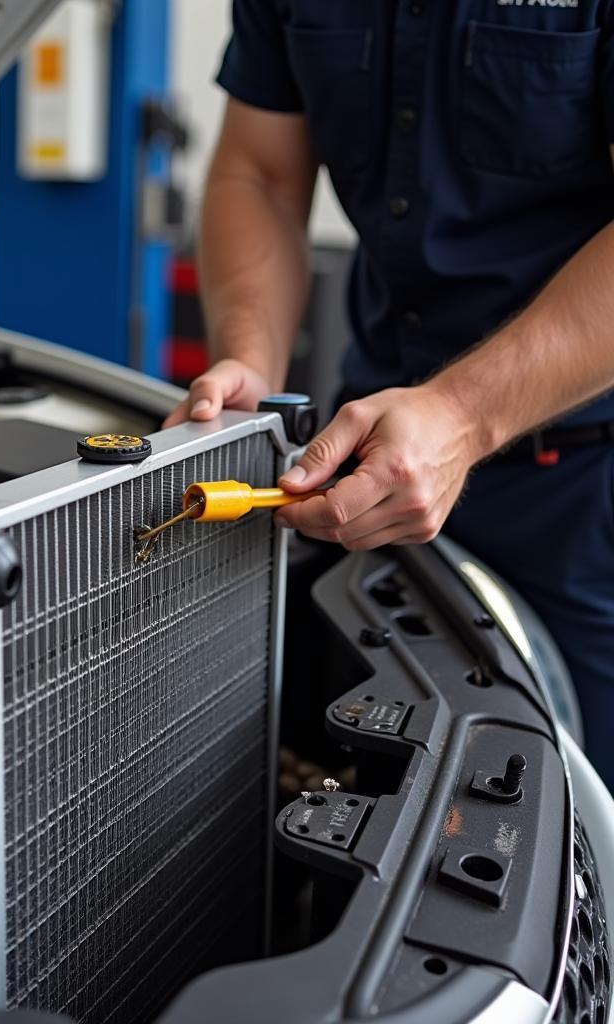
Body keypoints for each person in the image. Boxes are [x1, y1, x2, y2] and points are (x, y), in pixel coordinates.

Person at [165, 1, 614, 786]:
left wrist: (461, 416)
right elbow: (259, 173)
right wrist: (249, 359)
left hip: (582, 502)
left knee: (575, 837)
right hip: (367, 470)